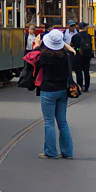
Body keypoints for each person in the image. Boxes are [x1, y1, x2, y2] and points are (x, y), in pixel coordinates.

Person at [25, 29, 73, 159]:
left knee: (49, 122)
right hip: (63, 90)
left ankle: (50, 152)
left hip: (48, 90)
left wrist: (37, 45)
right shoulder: (66, 55)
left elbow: (30, 58)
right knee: (62, 122)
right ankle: (67, 152)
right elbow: (71, 51)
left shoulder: (44, 56)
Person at [71, 22, 94, 91]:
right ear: (84, 27)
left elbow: (72, 45)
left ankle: (79, 86)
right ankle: (86, 87)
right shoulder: (89, 36)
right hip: (87, 56)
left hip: (78, 55)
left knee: (79, 72)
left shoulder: (75, 36)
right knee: (86, 72)